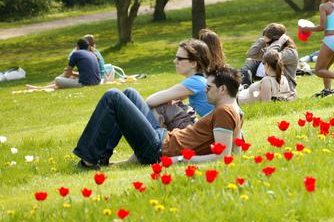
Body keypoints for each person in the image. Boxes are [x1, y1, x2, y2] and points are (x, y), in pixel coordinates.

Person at [72, 65, 243, 169]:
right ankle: (102, 157)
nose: (204, 91)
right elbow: (236, 152)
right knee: (130, 93)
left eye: (208, 87)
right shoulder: (235, 111)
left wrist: (180, 159)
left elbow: (223, 156)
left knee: (113, 96)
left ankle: (89, 160)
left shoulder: (224, 112)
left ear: (223, 90)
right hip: (163, 138)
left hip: (159, 150)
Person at [145, 39, 211, 130]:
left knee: (159, 108)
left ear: (193, 63)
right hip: (215, 130)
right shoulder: (202, 79)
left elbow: (150, 101)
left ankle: (158, 140)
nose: (175, 61)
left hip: (213, 135)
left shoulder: (195, 82)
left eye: (179, 58)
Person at [26, 38, 101, 90]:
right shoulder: (92, 54)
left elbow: (67, 75)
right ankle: (40, 88)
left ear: (77, 46)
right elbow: (87, 74)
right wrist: (73, 74)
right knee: (67, 79)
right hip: (96, 82)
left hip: (86, 84)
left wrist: (69, 73)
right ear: (88, 47)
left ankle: (40, 88)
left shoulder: (76, 54)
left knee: (58, 80)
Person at [240, 23, 299, 90]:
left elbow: (270, 57)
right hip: (271, 88)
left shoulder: (290, 53)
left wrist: (277, 43)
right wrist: (262, 40)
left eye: (269, 43)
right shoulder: (271, 50)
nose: (267, 45)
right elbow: (251, 54)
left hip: (285, 91)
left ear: (277, 41)